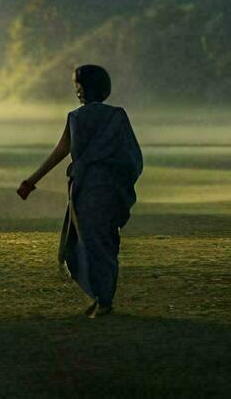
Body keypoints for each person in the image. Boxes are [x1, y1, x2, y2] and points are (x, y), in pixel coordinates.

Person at [17, 64, 143, 317]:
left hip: (86, 188)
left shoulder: (77, 117)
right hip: (107, 188)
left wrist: (31, 181)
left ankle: (103, 298)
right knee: (102, 240)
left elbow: (60, 151)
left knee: (90, 242)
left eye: (77, 85)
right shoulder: (116, 116)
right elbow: (132, 157)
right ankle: (102, 295)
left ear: (82, 89)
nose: (76, 90)